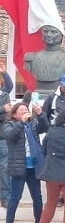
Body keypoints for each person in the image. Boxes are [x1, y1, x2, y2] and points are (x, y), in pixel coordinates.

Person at [2, 101, 47, 223]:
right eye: (21, 110)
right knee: (15, 197)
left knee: (37, 198)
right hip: (19, 167)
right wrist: (21, 122)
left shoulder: (32, 124)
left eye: (26, 109)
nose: (24, 111)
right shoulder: (8, 125)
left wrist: (41, 114)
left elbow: (44, 127)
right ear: (15, 114)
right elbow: (11, 136)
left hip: (33, 166)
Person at [23, 25, 65, 92]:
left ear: (60, 36)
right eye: (46, 31)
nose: (49, 35)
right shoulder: (31, 58)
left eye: (53, 32)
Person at [0, 60, 15, 209]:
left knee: (4, 167)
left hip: (3, 136)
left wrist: (4, 72)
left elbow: (10, 86)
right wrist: (2, 109)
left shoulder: (3, 94)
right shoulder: (3, 101)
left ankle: (5, 197)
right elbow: (4, 111)